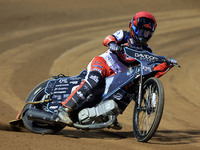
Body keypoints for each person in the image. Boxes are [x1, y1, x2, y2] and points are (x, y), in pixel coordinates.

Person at [56, 11, 177, 128]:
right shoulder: (123, 35)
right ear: (133, 27)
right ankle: (64, 109)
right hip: (103, 63)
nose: (142, 35)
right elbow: (108, 38)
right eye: (140, 31)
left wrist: (167, 64)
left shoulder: (148, 52)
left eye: (146, 33)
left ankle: (110, 115)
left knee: (133, 88)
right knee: (93, 81)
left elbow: (151, 71)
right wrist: (112, 43)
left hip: (118, 76)